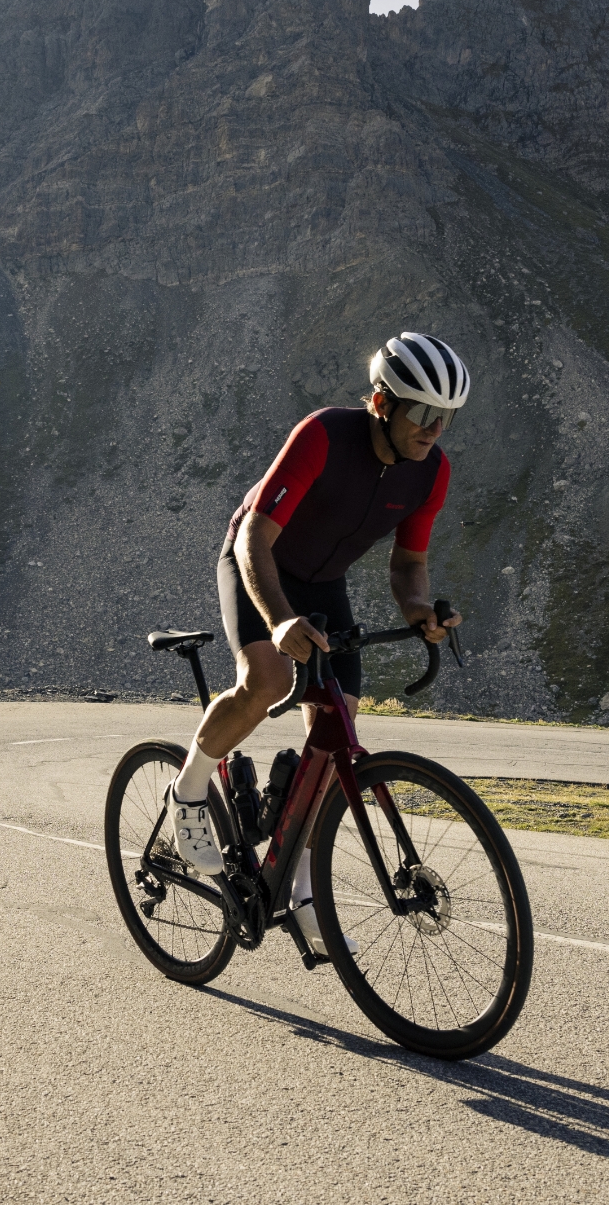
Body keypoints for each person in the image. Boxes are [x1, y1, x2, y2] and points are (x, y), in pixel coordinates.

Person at [165, 332, 468, 955]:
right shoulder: (324, 435)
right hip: (258, 560)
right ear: (384, 403)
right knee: (269, 680)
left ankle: (301, 888)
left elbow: (409, 566)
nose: (435, 429)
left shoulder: (431, 472)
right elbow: (254, 538)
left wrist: (420, 613)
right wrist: (277, 621)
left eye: (447, 417)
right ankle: (189, 788)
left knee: (338, 731)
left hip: (324, 582)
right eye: (424, 414)